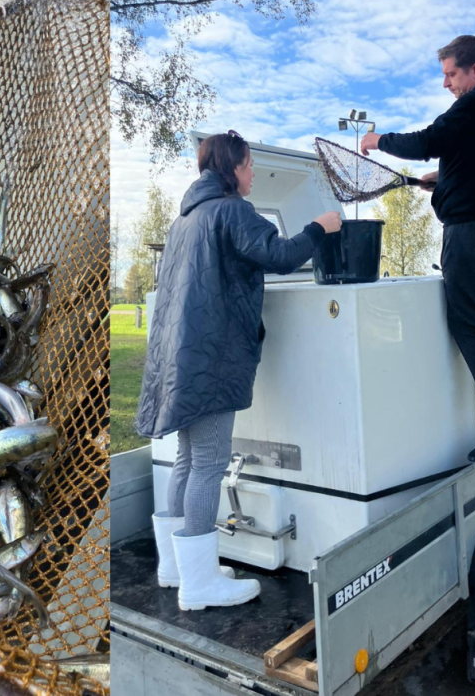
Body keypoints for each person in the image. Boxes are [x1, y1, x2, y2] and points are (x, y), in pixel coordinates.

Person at [135, 132, 341, 611]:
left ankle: (177, 567)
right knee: (208, 462)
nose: (252, 175)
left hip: (179, 358)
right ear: (233, 168)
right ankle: (201, 584)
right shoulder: (231, 211)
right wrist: (319, 228)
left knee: (187, 459)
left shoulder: (184, 220)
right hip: (211, 358)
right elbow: (281, 256)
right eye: (249, 166)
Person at [359, 35, 475, 462]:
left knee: (468, 322)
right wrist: (443, 181)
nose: (447, 84)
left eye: (451, 74)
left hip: (471, 230)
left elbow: (429, 141)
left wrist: (378, 141)